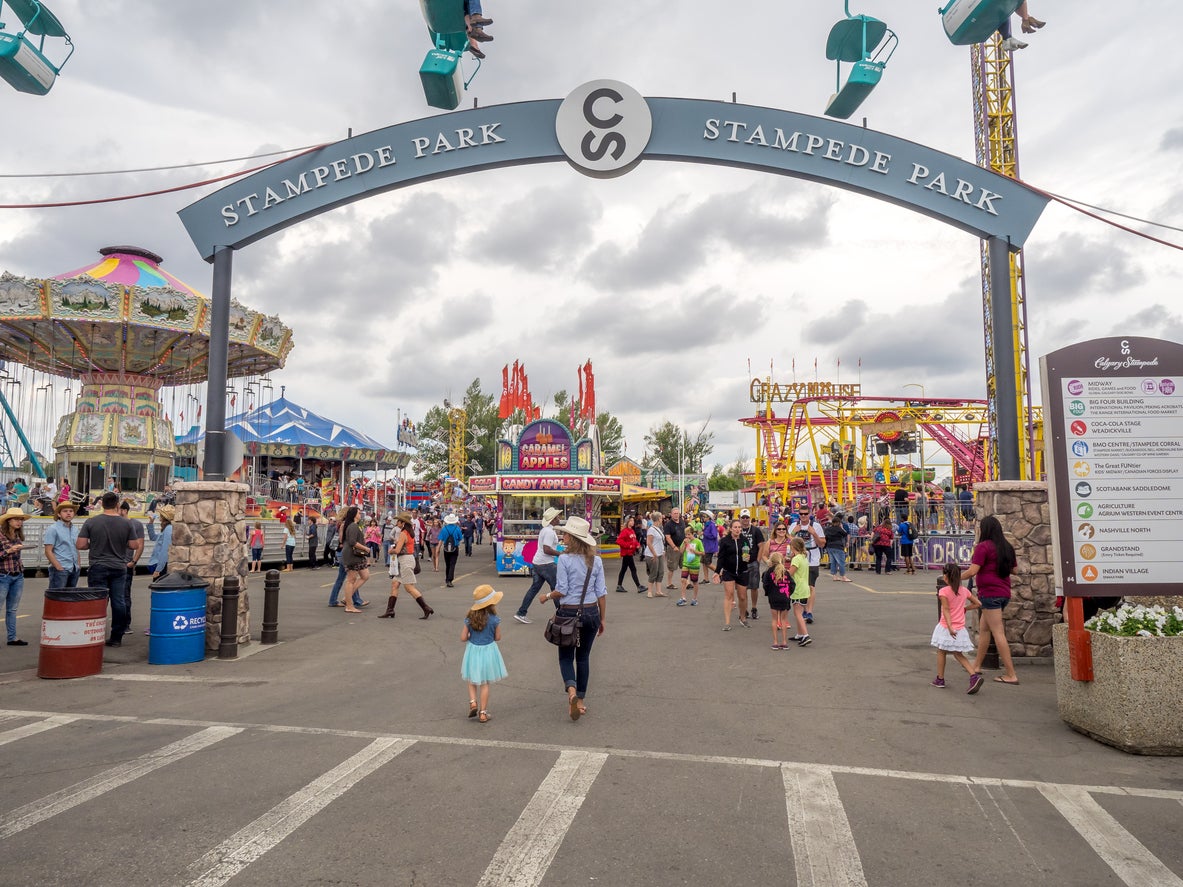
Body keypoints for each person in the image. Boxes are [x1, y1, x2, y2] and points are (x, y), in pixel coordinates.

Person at [536, 516, 606, 721]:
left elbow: (562, 590)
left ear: (573, 538)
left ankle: (572, 692)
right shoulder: (596, 560)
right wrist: (602, 619)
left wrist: (546, 596)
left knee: (566, 656)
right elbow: (601, 592)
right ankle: (581, 701)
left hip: (568, 612)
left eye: (565, 534)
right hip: (592, 611)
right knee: (583, 657)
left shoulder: (564, 559)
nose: (562, 536)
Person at [963, 516, 1020, 692]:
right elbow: (1014, 569)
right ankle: (977, 666)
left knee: (997, 632)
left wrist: (954, 577)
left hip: (989, 593)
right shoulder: (1006, 547)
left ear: (985, 529)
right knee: (985, 630)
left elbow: (973, 570)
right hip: (1003, 592)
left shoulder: (983, 547)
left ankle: (1011, 674)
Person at [78, 491, 140, 648]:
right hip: (119, 566)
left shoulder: (91, 522)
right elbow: (134, 545)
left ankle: (94, 634)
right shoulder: (127, 524)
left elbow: (80, 544)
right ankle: (116, 637)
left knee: (97, 600)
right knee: (119, 601)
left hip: (98, 566)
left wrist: (94, 544)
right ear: (117, 505)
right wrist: (121, 544)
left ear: (101, 504)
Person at [930, 562, 981, 688]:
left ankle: (940, 678)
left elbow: (946, 610)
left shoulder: (944, 591)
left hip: (946, 626)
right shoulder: (964, 591)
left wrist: (949, 626)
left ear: (946, 577)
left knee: (941, 651)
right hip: (960, 627)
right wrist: (965, 609)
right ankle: (973, 676)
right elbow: (978, 603)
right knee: (958, 654)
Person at [461, 584, 507, 724]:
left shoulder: (469, 618)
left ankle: (473, 702)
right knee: (485, 683)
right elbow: (498, 637)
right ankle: (483, 713)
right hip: (488, 650)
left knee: (471, 678)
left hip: (473, 650)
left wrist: (471, 636)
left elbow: (463, 638)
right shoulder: (494, 619)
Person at [379, 512, 434, 619]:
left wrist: (391, 551)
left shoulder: (403, 533)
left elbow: (398, 550)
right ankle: (390, 610)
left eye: (398, 521)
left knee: (409, 587)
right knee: (395, 584)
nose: (396, 522)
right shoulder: (409, 532)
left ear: (403, 522)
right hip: (406, 560)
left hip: (405, 561)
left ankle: (426, 608)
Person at [514, 507, 561, 623]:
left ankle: (521, 612)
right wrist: (561, 554)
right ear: (553, 519)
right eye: (557, 517)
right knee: (556, 588)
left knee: (534, 589)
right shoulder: (549, 532)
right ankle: (561, 615)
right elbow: (546, 549)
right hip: (546, 564)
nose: (559, 518)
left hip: (537, 563)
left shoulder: (545, 530)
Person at [0, 507, 33, 646]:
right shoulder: (1, 535)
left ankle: (12, 637)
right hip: (3, 575)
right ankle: (12, 637)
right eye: (16, 519)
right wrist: (9, 550)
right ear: (8, 521)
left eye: (21, 519)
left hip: (17, 575)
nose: (19, 522)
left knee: (12, 609)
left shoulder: (18, 536)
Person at [712, 519, 753, 630]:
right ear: (730, 529)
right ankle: (727, 623)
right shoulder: (725, 541)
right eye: (735, 527)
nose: (738, 529)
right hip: (728, 571)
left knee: (743, 597)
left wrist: (749, 558)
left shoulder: (745, 541)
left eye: (739, 527)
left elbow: (749, 555)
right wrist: (717, 571)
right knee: (729, 595)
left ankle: (743, 618)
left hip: (742, 571)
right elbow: (721, 558)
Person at [788, 507, 824, 623]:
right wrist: (793, 532)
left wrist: (814, 533)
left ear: (810, 514)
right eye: (801, 514)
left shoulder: (816, 526)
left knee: (810, 586)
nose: (803, 516)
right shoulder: (794, 525)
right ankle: (801, 608)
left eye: (805, 514)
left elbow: (822, 544)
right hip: (797, 558)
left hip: (812, 558)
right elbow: (787, 541)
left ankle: (808, 611)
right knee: (798, 584)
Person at [339, 507, 371, 614]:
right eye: (358, 513)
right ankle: (349, 605)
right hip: (352, 555)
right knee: (351, 579)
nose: (360, 514)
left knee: (365, 575)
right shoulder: (352, 526)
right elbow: (352, 542)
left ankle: (347, 597)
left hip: (357, 555)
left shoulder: (354, 525)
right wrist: (365, 548)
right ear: (354, 514)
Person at [119, 501, 145, 629]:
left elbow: (140, 545)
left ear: (124, 510)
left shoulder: (136, 524)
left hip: (126, 565)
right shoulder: (113, 523)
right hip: (114, 564)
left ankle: (125, 624)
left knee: (125, 596)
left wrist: (133, 562)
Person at [44, 499, 81, 589]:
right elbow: (48, 550)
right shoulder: (53, 529)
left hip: (74, 568)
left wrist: (78, 564)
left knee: (70, 598)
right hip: (60, 569)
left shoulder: (75, 529)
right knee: (56, 598)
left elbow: (76, 548)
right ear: (59, 514)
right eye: (65, 511)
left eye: (71, 511)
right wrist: (58, 566)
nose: (68, 513)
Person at [737, 509, 767, 620]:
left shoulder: (755, 530)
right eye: (743, 517)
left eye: (747, 517)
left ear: (750, 518)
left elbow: (761, 546)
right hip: (740, 563)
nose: (745, 520)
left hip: (753, 562)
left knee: (754, 587)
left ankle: (754, 608)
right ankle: (744, 609)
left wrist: (758, 561)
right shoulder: (737, 530)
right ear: (740, 518)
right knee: (742, 588)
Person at [762, 552, 794, 649]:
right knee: (784, 620)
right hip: (785, 597)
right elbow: (792, 584)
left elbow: (765, 584)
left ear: (771, 561)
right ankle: (784, 641)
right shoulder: (786, 572)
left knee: (775, 620)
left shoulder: (769, 572)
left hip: (774, 597)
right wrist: (788, 594)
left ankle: (775, 642)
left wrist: (768, 593)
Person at [787, 537, 812, 646]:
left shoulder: (796, 559)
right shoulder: (803, 557)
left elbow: (790, 573)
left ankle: (805, 635)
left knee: (798, 613)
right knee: (799, 612)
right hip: (804, 587)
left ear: (793, 547)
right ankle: (800, 634)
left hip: (798, 588)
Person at [676, 525, 704, 606]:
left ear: (693, 534)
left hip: (695, 564)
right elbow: (681, 552)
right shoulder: (684, 541)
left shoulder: (698, 542)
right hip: (686, 563)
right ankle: (683, 598)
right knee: (683, 580)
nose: (687, 536)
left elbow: (702, 553)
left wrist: (694, 551)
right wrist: (685, 544)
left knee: (694, 582)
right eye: (686, 534)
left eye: (689, 534)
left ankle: (695, 599)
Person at [614, 515, 642, 593]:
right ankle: (639, 586)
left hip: (630, 553)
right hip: (627, 553)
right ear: (627, 522)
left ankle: (619, 585)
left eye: (633, 521)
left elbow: (634, 540)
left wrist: (637, 545)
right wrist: (628, 545)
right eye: (631, 521)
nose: (632, 522)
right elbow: (619, 541)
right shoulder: (625, 531)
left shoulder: (632, 531)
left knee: (624, 569)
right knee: (633, 569)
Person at [662, 508, 686, 591]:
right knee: (672, 567)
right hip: (673, 548)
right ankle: (669, 583)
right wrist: (674, 547)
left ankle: (687, 582)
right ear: (671, 514)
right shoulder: (668, 525)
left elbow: (685, 533)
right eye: (675, 513)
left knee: (684, 565)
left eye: (677, 513)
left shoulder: (682, 522)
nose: (676, 515)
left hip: (683, 547)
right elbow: (667, 537)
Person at [149, 505, 174, 580]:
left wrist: (158, 569)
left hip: (162, 567)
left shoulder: (168, 528)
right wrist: (151, 523)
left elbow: (165, 549)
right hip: (161, 565)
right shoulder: (166, 528)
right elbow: (153, 537)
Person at [644, 512, 666, 598]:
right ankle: (649, 591)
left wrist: (663, 551)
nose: (662, 519)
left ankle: (658, 591)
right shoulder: (651, 529)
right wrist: (654, 553)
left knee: (660, 572)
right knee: (653, 573)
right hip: (652, 554)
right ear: (658, 519)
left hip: (659, 553)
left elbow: (660, 541)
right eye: (661, 518)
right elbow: (649, 543)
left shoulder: (658, 528)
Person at [824, 514, 851, 582]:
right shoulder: (839, 529)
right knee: (841, 562)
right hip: (838, 546)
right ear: (839, 523)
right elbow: (845, 534)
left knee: (833, 562)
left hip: (829, 546)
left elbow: (826, 537)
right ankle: (843, 576)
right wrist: (841, 528)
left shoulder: (827, 529)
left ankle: (834, 576)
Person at [439, 514, 463, 587]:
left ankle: (447, 579)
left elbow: (441, 539)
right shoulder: (457, 528)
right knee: (452, 564)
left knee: (447, 564)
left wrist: (438, 548)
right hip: (455, 547)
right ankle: (450, 579)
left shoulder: (444, 528)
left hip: (446, 548)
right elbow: (460, 538)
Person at [700, 510, 719, 583]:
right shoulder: (707, 524)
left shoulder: (711, 525)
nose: (703, 518)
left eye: (704, 517)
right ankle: (706, 579)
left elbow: (714, 535)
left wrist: (704, 534)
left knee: (708, 563)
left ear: (708, 517)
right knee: (704, 563)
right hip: (705, 546)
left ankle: (720, 573)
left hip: (710, 547)